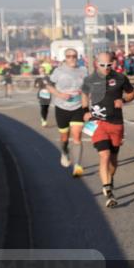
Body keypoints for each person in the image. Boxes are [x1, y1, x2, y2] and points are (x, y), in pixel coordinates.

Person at [81, 52, 134, 207]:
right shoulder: (89, 80)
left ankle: (109, 181)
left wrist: (123, 99)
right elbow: (84, 95)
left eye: (108, 65)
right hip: (98, 123)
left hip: (116, 123)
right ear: (96, 63)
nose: (105, 68)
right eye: (102, 65)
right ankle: (108, 191)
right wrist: (85, 110)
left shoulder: (120, 78)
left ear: (113, 64)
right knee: (104, 155)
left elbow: (132, 93)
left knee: (113, 160)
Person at [48, 49, 87, 177]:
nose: (72, 58)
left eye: (74, 56)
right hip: (61, 107)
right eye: (69, 56)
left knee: (77, 136)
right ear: (65, 58)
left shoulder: (83, 70)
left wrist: (85, 96)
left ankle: (77, 166)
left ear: (77, 57)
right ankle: (64, 152)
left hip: (77, 107)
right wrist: (59, 94)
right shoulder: (58, 71)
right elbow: (48, 85)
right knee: (64, 137)